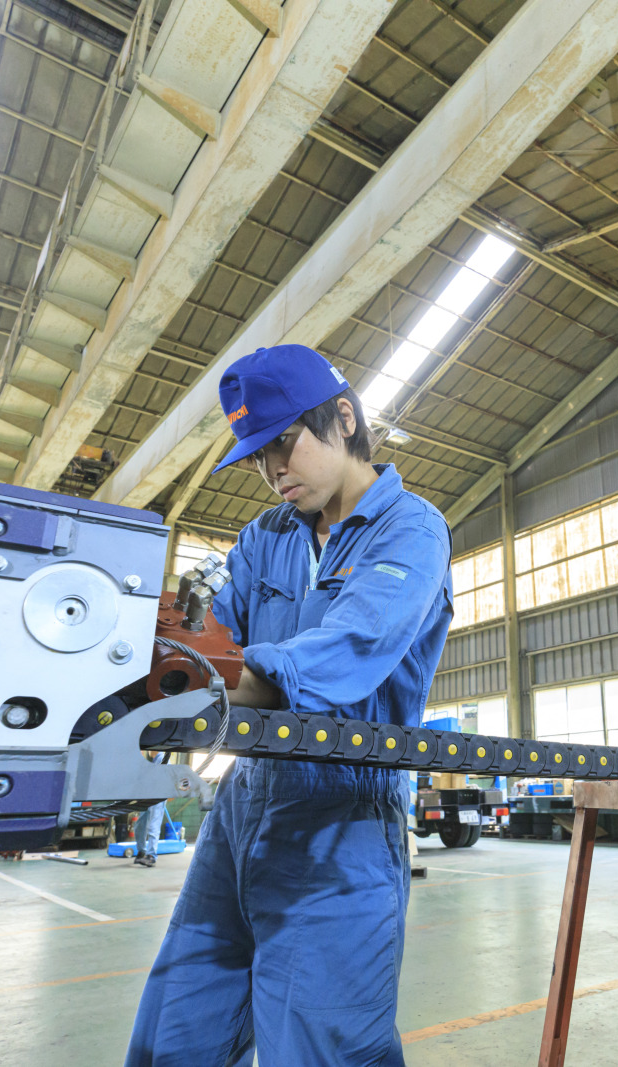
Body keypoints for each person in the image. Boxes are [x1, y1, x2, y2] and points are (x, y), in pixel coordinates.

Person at [125, 344, 453, 1066]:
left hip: (342, 820)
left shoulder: (411, 530)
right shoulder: (263, 537)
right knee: (177, 1032)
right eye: (257, 454)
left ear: (343, 417)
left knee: (320, 1047)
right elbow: (212, 644)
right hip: (241, 810)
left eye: (283, 442)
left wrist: (182, 669)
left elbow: (340, 655)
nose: (273, 469)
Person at [132, 800, 166, 868]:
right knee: (139, 825)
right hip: (147, 796)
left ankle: (151, 856)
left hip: (159, 795)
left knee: (153, 826)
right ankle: (141, 852)